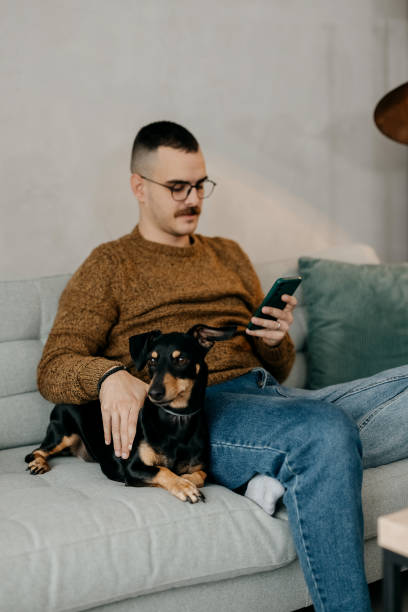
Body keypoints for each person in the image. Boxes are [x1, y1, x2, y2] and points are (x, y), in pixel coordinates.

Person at [37, 121, 408, 612]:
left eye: (200, 185)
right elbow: (54, 366)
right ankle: (294, 457)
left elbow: (276, 366)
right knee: (322, 432)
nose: (193, 198)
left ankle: (281, 465)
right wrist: (108, 376)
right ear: (139, 187)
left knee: (331, 425)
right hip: (199, 409)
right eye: (177, 187)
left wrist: (274, 340)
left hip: (269, 398)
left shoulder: (229, 254)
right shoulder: (109, 266)